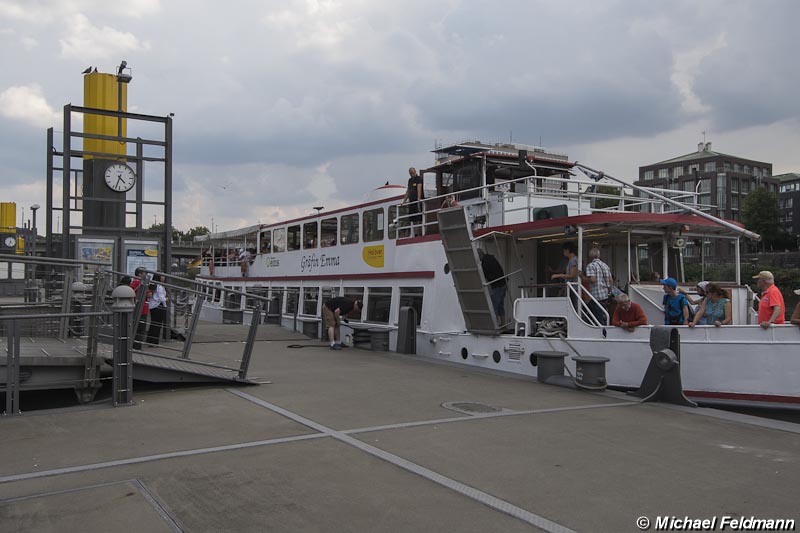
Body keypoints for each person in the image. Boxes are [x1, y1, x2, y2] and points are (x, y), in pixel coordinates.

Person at [581, 247, 613, 325]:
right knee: (602, 314)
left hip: (596, 295)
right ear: (598, 255)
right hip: (605, 294)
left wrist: (582, 277)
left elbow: (592, 280)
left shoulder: (591, 266)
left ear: (590, 256)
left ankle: (601, 331)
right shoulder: (605, 265)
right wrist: (609, 291)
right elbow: (611, 280)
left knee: (596, 315)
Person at [478, 249, 507, 326]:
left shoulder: (484, 263)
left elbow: (487, 276)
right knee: (501, 305)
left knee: (495, 306)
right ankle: (503, 324)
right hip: (503, 283)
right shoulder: (492, 258)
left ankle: (496, 325)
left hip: (496, 285)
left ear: (479, 255)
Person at [129, 267, 151, 350]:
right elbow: (149, 295)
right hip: (141, 309)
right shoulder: (139, 283)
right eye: (145, 273)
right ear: (140, 274)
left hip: (139, 308)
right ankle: (137, 347)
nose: (146, 275)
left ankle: (135, 346)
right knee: (140, 329)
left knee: (137, 328)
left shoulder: (134, 282)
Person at [147, 274, 168, 345]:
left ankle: (150, 340)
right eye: (162, 276)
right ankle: (155, 341)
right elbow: (162, 298)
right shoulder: (160, 286)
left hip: (152, 306)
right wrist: (166, 299)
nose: (164, 278)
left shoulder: (153, 285)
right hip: (159, 306)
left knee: (153, 323)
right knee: (158, 325)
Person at [403, 167, 424, 236]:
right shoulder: (410, 180)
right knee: (413, 219)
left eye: (413, 173)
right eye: (410, 173)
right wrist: (404, 201)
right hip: (411, 201)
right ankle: (416, 234)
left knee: (419, 218)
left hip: (417, 201)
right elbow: (408, 190)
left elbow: (419, 188)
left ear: (415, 171)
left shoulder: (419, 178)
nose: (412, 174)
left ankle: (420, 233)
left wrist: (418, 198)